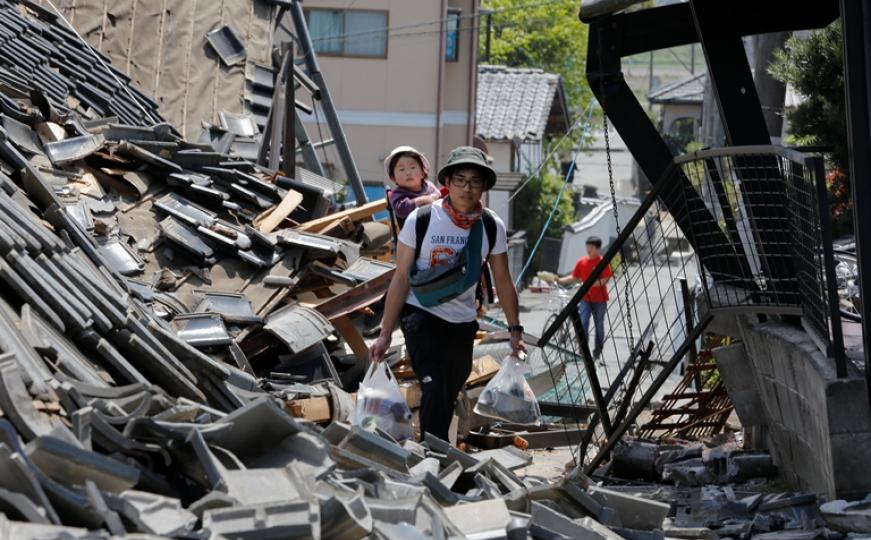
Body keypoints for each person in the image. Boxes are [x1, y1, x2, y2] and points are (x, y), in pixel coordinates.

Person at [369, 146, 525, 442]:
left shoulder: (491, 225)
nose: (467, 188)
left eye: (474, 182)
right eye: (460, 180)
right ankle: (434, 456)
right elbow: (400, 278)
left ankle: (435, 451)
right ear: (447, 183)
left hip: (463, 322)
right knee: (435, 384)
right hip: (421, 315)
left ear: (484, 187)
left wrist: (515, 330)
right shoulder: (422, 219)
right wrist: (385, 333)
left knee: (451, 386)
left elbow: (503, 281)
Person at [557, 236, 612, 360]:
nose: (588, 249)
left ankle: (597, 352)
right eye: (587, 246)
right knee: (583, 324)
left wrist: (590, 283)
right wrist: (559, 280)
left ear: (598, 249)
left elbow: (605, 279)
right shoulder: (582, 262)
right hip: (585, 299)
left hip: (600, 300)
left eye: (591, 247)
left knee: (599, 327)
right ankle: (583, 352)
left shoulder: (603, 261)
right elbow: (574, 277)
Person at [384, 146, 441, 228]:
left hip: (435, 227)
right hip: (413, 235)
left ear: (422, 172)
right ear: (393, 178)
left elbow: (437, 193)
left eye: (412, 167)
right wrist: (421, 200)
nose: (408, 172)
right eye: (402, 169)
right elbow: (400, 210)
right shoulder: (398, 194)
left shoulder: (428, 185)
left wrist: (432, 198)